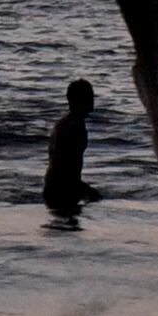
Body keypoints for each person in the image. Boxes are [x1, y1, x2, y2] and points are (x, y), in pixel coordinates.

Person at [42, 77, 95, 217]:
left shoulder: (68, 124)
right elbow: (63, 166)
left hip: (58, 186)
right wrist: (84, 189)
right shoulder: (72, 128)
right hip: (61, 189)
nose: (92, 100)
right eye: (89, 96)